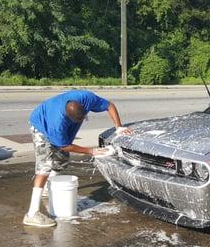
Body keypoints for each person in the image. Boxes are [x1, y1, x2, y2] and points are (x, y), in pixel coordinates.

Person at [24, 90, 130, 227]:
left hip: (59, 124)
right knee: (45, 166)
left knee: (62, 160)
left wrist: (119, 127)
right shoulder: (58, 123)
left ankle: (47, 189)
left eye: (84, 118)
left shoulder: (86, 98)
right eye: (78, 121)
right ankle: (32, 214)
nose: (81, 122)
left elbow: (109, 105)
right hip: (40, 126)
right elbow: (64, 145)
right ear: (68, 118)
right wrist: (91, 151)